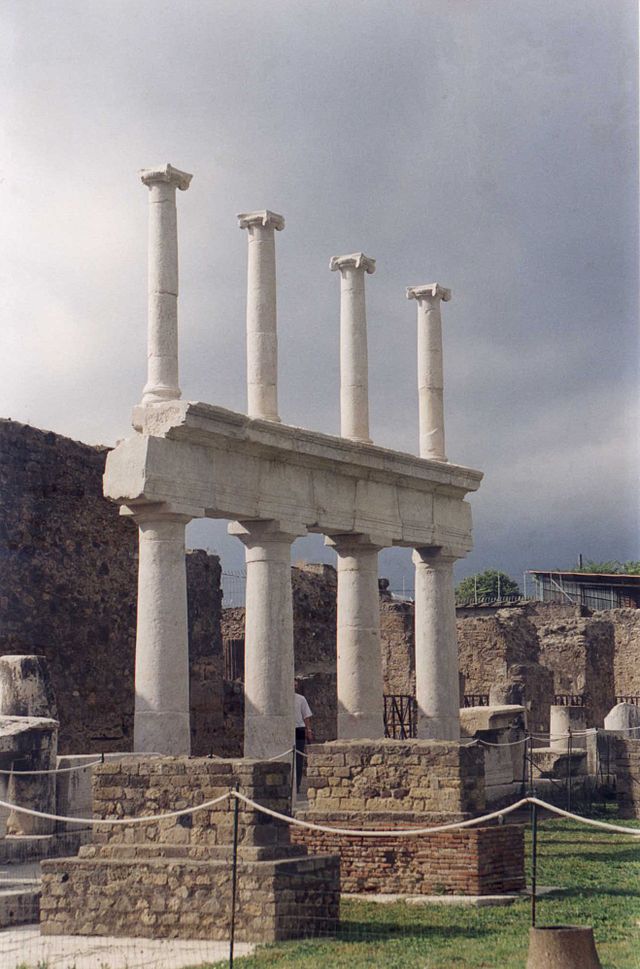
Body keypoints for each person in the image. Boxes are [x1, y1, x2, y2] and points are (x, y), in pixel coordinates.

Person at [294, 679, 314, 794]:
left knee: (299, 757)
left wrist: (308, 730)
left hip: (299, 729)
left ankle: (297, 784)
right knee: (295, 756)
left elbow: (306, 716)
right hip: (288, 728)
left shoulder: (301, 699)